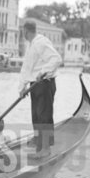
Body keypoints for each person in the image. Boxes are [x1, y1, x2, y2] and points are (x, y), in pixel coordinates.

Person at [19, 20, 62, 159]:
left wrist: (43, 72)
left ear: (26, 31)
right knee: (36, 116)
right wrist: (22, 87)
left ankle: (46, 149)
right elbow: (27, 68)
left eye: (22, 31)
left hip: (45, 83)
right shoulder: (31, 45)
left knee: (44, 116)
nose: (22, 33)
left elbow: (56, 59)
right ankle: (39, 146)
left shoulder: (41, 42)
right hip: (35, 85)